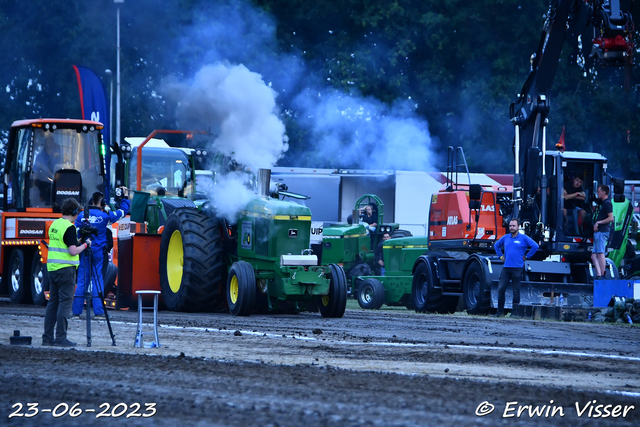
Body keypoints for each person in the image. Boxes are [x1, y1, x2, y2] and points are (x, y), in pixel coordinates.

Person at [72, 189, 130, 318]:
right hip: (99, 253)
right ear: (103, 202)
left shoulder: (82, 216)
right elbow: (122, 212)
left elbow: (75, 232)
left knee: (82, 281)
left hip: (84, 251)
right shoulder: (105, 216)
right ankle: (98, 311)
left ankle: (76, 311)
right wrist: (125, 198)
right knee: (97, 281)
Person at [42, 198, 92, 347]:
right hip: (65, 270)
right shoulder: (69, 227)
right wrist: (85, 244)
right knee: (65, 303)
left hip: (52, 269)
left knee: (52, 303)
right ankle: (61, 337)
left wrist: (78, 239)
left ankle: (47, 337)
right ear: (74, 212)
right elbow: (72, 250)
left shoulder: (55, 225)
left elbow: (64, 243)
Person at [493, 218, 539, 317]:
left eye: (513, 226)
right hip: (506, 268)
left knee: (516, 291)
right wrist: (500, 256)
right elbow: (496, 245)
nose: (511, 227)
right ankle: (500, 312)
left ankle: (515, 313)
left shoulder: (524, 238)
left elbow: (535, 246)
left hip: (517, 268)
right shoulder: (506, 237)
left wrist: (527, 256)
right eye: (510, 226)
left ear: (518, 227)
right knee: (501, 289)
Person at [592, 184, 614, 280]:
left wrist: (598, 222)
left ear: (604, 192)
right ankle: (599, 274)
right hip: (599, 232)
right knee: (593, 255)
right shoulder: (603, 204)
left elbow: (611, 218)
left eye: (598, 191)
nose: (597, 193)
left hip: (602, 232)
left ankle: (602, 275)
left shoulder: (607, 203)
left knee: (600, 253)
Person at [33, 134, 61, 203]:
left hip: (59, 183)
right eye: (48, 141)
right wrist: (33, 184)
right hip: (43, 183)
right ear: (45, 143)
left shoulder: (60, 156)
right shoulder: (40, 157)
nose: (50, 143)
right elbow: (35, 172)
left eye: (52, 141)